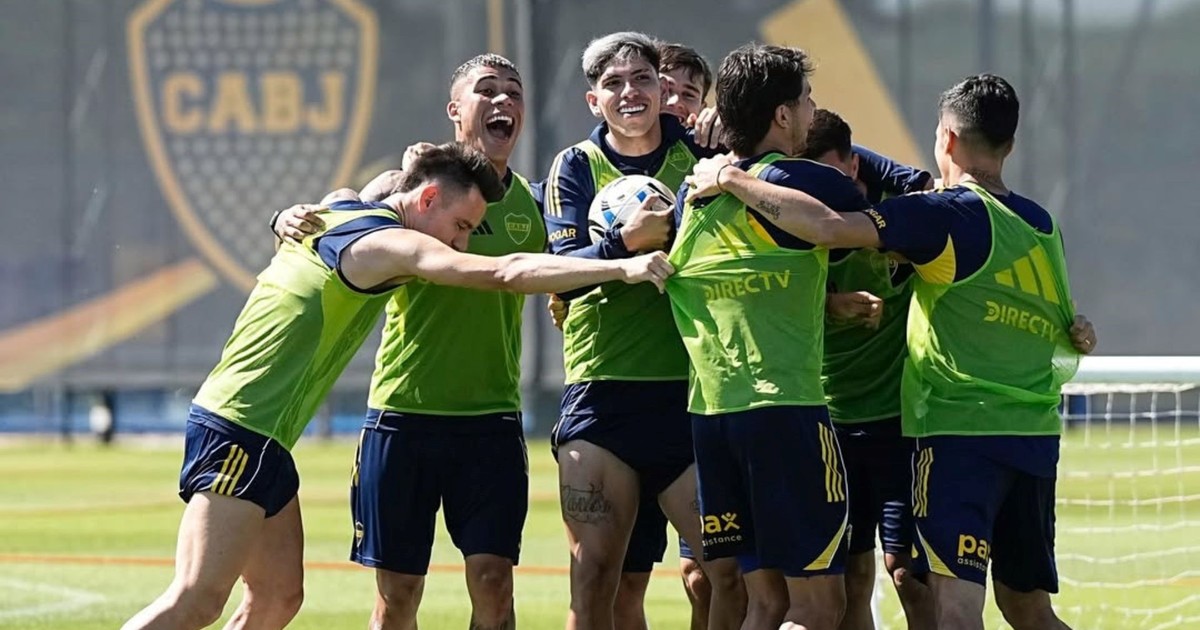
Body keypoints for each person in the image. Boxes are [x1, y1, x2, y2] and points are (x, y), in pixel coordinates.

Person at [122, 142, 673, 630]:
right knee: (197, 600)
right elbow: (502, 273)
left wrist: (283, 215)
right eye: (461, 226)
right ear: (428, 199)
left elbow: (375, 189)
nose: (462, 242)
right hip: (239, 427)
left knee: (277, 598)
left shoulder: (344, 205)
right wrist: (621, 264)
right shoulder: (388, 246)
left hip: (269, 440)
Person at [684, 73, 1098, 630]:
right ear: (1011, 143)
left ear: (947, 138)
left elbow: (827, 228)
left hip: (958, 436)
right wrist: (1081, 331)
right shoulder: (1042, 225)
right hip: (1035, 437)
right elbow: (1067, 331)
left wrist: (731, 176)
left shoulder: (943, 214)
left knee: (954, 608)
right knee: (1030, 610)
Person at [276, 53, 546, 630]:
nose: (503, 100)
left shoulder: (534, 200)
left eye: (514, 91)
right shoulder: (410, 189)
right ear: (455, 110)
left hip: (491, 421)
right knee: (398, 595)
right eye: (486, 90)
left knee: (494, 586)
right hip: (403, 417)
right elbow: (335, 221)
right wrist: (287, 217)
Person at [666, 43, 876, 630]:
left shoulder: (692, 197)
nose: (813, 112)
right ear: (782, 114)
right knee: (819, 607)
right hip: (787, 414)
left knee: (765, 603)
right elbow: (890, 198)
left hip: (712, 419)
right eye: (806, 100)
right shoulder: (806, 180)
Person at [542, 31, 743, 630]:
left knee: (729, 575)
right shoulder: (575, 166)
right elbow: (560, 272)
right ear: (593, 100)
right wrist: (621, 244)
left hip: (693, 396)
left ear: (661, 88)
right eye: (613, 83)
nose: (629, 92)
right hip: (603, 396)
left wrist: (731, 130)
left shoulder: (704, 153)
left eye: (642, 79)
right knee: (595, 579)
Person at [801, 108, 935, 630]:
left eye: (832, 175)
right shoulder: (790, 232)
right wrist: (828, 305)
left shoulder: (901, 220)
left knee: (908, 573)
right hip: (830, 429)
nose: (821, 191)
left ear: (855, 165)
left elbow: (941, 192)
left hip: (902, 426)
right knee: (850, 577)